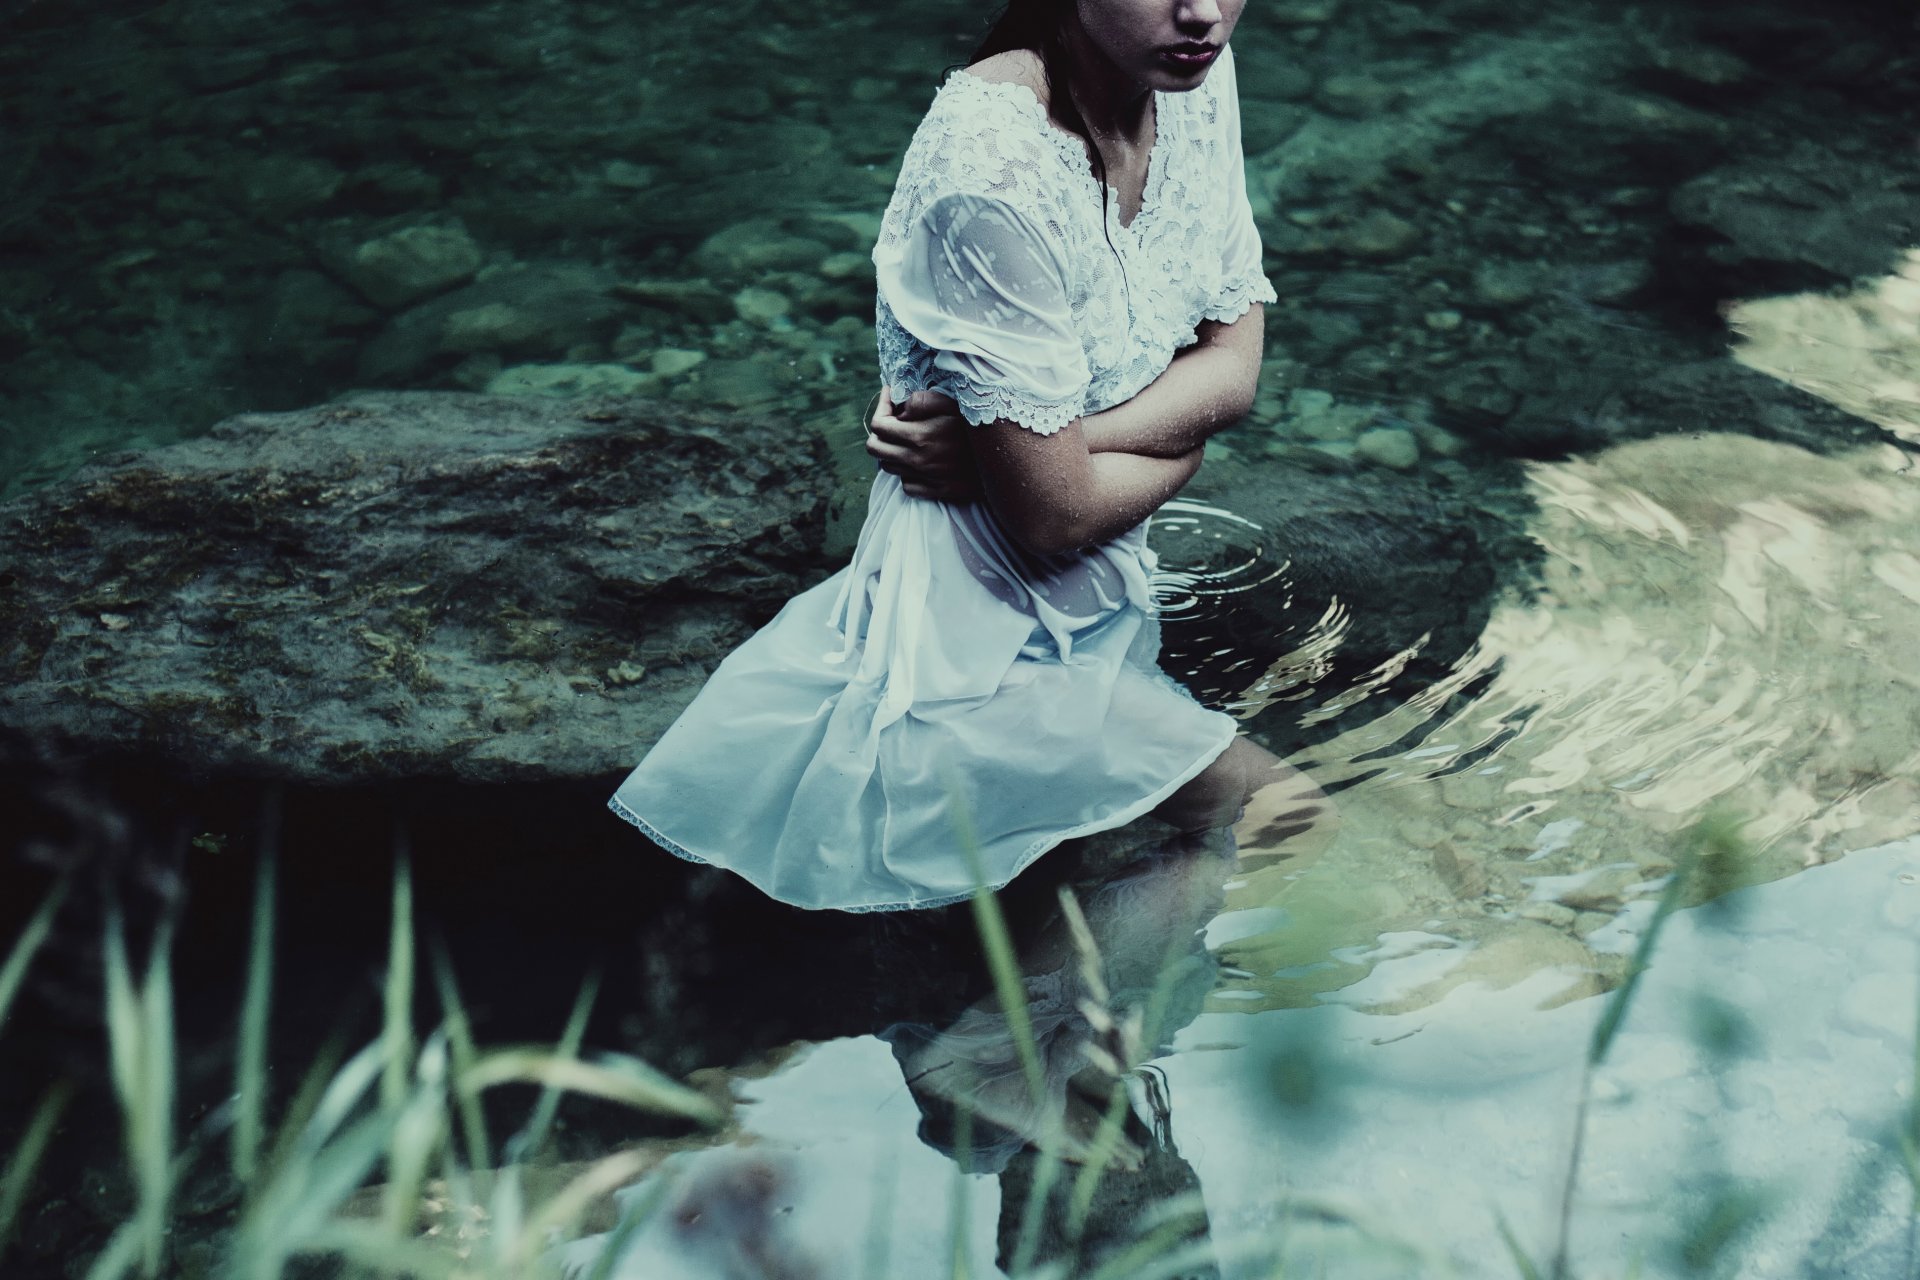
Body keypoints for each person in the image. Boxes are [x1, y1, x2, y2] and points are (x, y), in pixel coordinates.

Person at [608, 0, 1330, 917]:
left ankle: (1013, 1048)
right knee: (1292, 818)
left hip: (1092, 593)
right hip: (977, 643)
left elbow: (1234, 369)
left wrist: (1045, 438)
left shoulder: (1184, 72)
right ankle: (994, 1050)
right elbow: (1054, 512)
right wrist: (1172, 451)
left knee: (1157, 864)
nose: (1203, 11)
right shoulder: (989, 162)